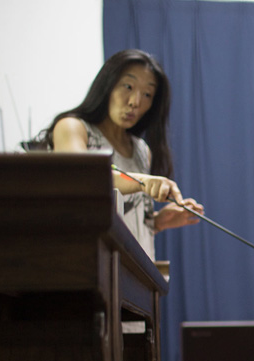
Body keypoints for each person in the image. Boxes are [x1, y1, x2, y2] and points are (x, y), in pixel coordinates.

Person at [36, 48, 203, 260]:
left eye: (147, 94)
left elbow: (127, 222)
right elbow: (82, 177)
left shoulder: (142, 151)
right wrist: (142, 181)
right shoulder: (73, 128)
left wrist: (157, 221)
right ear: (107, 85)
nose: (135, 101)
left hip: (136, 276)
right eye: (128, 86)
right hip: (88, 267)